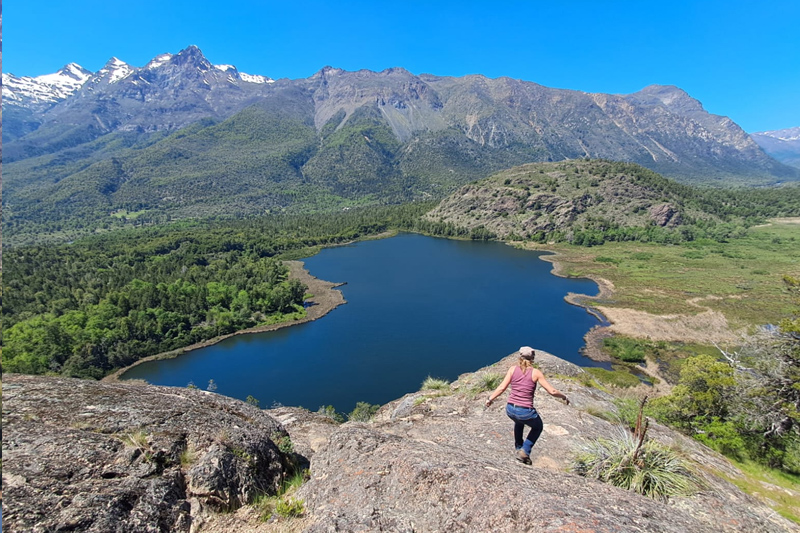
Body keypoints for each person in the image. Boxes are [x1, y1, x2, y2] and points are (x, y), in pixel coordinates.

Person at [485, 346, 569, 465]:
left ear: (520, 356)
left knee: (518, 422)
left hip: (510, 409)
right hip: (525, 411)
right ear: (533, 358)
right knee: (538, 427)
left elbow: (502, 387)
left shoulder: (512, 369)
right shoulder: (536, 373)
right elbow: (552, 391)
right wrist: (564, 396)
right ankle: (525, 451)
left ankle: (519, 448)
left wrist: (490, 399)